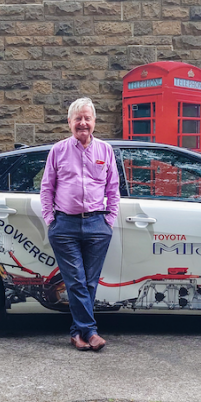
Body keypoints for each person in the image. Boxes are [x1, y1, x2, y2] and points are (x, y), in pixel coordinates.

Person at [40, 97, 120, 351]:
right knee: (75, 281)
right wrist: (51, 220)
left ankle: (77, 333)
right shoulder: (58, 150)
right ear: (69, 122)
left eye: (87, 118)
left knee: (89, 283)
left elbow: (113, 189)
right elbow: (46, 188)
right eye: (78, 118)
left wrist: (109, 220)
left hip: (97, 224)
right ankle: (91, 331)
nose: (83, 123)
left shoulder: (105, 151)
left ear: (94, 121)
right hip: (65, 226)